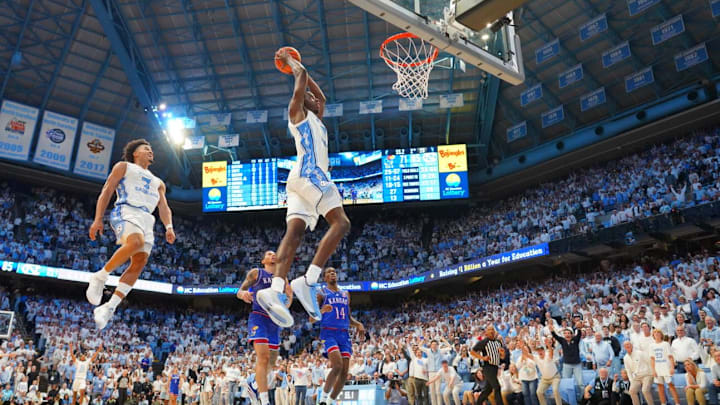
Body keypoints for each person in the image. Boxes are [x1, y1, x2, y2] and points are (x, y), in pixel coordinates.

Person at [256, 48, 351, 328]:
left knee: (294, 233)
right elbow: (302, 75)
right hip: (311, 173)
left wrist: (309, 84)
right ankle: (307, 280)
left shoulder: (317, 121)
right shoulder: (296, 113)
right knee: (341, 223)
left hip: (299, 180)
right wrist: (291, 63)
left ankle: (273, 291)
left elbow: (321, 97)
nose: (312, 98)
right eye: (306, 95)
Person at [86, 139, 176, 329]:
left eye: (151, 149)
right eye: (146, 149)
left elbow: (164, 206)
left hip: (147, 218)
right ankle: (100, 276)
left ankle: (109, 307)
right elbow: (107, 189)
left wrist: (168, 226)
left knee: (139, 263)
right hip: (127, 210)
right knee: (135, 242)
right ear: (135, 153)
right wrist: (97, 218)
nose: (150, 151)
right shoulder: (124, 166)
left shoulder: (158, 182)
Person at [237, 251, 293, 405]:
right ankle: (264, 400)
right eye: (269, 254)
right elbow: (239, 291)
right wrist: (242, 294)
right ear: (263, 260)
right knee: (263, 357)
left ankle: (253, 384)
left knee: (272, 361)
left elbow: (289, 297)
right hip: (258, 317)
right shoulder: (256, 273)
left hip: (274, 320)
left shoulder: (282, 277)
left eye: (274, 253)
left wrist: (283, 308)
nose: (273, 255)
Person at [313, 268, 364, 405]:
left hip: (344, 333)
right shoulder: (321, 293)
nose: (332, 273)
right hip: (328, 333)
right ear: (325, 278)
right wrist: (321, 311)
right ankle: (322, 399)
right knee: (337, 365)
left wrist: (358, 324)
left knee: (344, 372)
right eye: (329, 272)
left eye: (334, 271)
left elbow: (348, 318)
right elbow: (311, 318)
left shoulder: (345, 294)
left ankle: (330, 401)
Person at [471, 325, 506, 405]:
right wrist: (482, 358)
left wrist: (502, 354)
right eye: (489, 330)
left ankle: (478, 403)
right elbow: (472, 352)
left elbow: (502, 357)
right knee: (497, 387)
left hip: (495, 367)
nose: (491, 331)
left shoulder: (498, 342)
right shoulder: (484, 342)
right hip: (487, 367)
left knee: (488, 389)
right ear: (486, 332)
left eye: (492, 329)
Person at [549, 322, 583, 399]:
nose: (567, 335)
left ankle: (582, 399)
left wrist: (579, 328)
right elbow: (555, 336)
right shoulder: (562, 341)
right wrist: (552, 331)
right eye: (565, 333)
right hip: (567, 365)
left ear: (572, 334)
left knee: (580, 384)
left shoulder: (575, 340)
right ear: (564, 335)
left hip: (577, 365)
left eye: (569, 333)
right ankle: (567, 399)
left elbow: (579, 334)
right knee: (566, 383)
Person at [649, 329, 679, 405]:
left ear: (661, 334)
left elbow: (671, 357)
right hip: (657, 369)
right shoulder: (651, 346)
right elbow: (652, 359)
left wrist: (672, 368)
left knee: (671, 386)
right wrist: (653, 370)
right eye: (655, 333)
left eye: (658, 332)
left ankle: (677, 403)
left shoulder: (665, 344)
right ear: (653, 335)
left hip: (666, 368)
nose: (656, 334)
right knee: (660, 387)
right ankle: (663, 403)